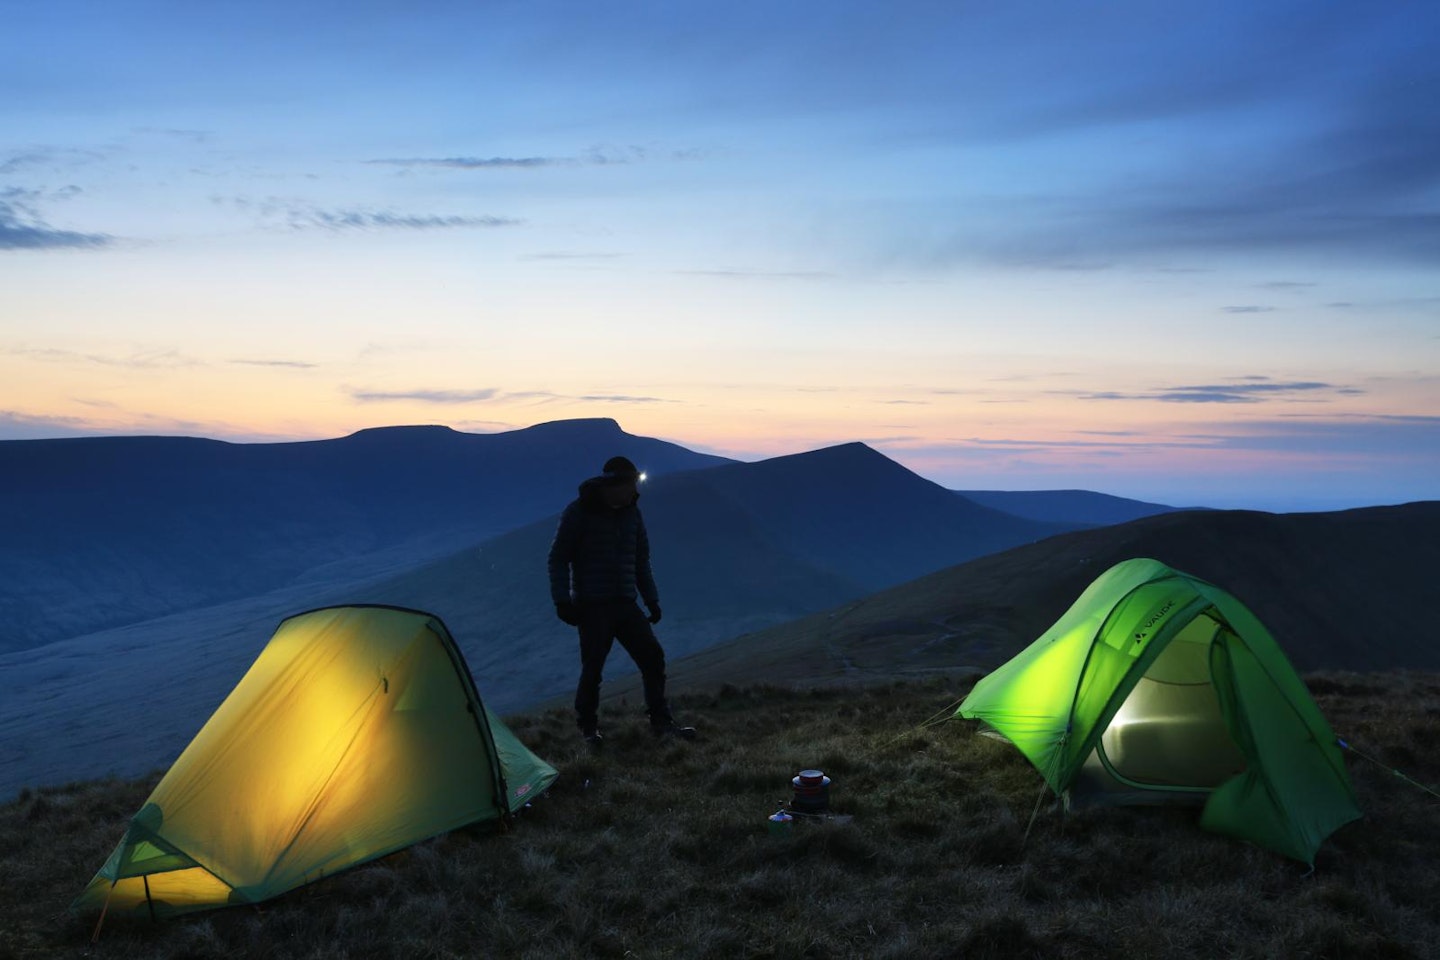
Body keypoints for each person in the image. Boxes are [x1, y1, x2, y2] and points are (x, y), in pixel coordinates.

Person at [548, 455, 696, 745]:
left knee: (652, 657)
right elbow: (558, 559)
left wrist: (651, 599)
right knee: (593, 668)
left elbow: (641, 560)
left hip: (625, 603)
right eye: (631, 484)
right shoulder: (578, 513)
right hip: (592, 605)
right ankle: (588, 731)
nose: (635, 491)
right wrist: (562, 601)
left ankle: (661, 722)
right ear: (613, 485)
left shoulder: (632, 513)